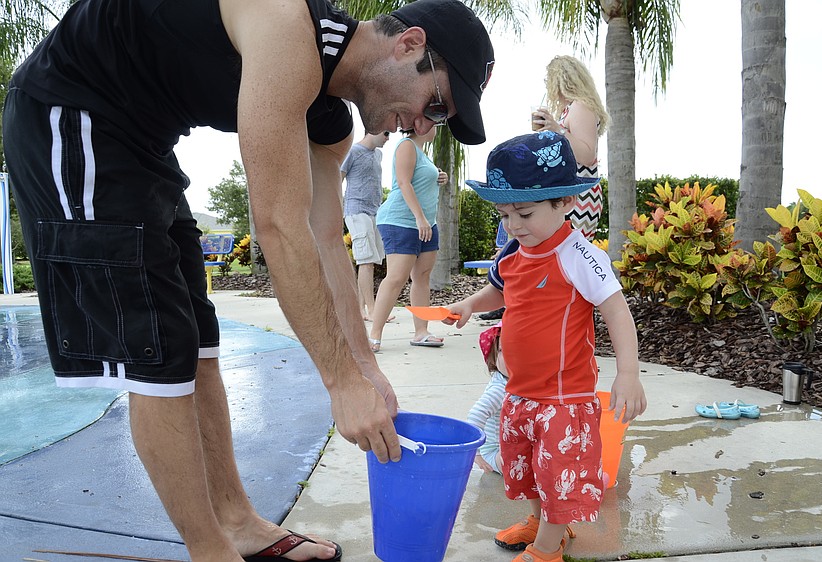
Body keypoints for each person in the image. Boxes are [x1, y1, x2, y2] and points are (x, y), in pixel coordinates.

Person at [1, 0, 495, 559]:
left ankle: (236, 522)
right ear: (408, 43)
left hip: (142, 143)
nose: (424, 126)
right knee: (155, 352)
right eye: (435, 103)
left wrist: (364, 369)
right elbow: (278, 226)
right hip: (71, 110)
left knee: (196, 341)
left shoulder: (329, 122)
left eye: (440, 120)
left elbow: (325, 240)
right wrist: (339, 384)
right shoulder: (288, 25)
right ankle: (209, 550)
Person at [444, 131, 646, 562]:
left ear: (565, 203)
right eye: (504, 214)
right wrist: (467, 305)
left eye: (524, 213)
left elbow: (617, 310)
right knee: (530, 466)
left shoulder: (581, 255)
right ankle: (541, 523)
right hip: (519, 390)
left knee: (559, 472)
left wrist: (628, 373)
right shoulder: (512, 255)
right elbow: (499, 294)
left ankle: (547, 549)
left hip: (563, 396)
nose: (513, 225)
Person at [368, 127, 448, 352]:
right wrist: (420, 218)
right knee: (395, 278)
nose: (437, 128)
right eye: (434, 123)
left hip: (425, 223)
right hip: (401, 221)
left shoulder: (422, 153)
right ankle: (374, 335)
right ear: (421, 124)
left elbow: (418, 179)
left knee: (422, 276)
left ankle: (421, 332)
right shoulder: (406, 145)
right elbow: (404, 183)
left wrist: (438, 176)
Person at [532, 55, 609, 240]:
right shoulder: (569, 109)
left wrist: (557, 130)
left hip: (579, 195)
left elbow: (587, 154)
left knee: (570, 254)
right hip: (571, 194)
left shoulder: (581, 106)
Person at [341, 131, 391, 322]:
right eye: (386, 133)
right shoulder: (352, 151)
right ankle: (373, 311)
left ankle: (362, 310)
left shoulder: (378, 154)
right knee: (366, 260)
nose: (388, 138)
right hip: (356, 210)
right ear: (373, 129)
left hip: (374, 212)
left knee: (372, 260)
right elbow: (338, 178)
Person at [467, 321, 507, 474]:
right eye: (503, 351)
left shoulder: (524, 381)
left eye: (520, 349)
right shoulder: (500, 389)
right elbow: (475, 416)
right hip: (496, 452)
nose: (512, 356)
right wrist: (475, 453)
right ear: (493, 358)